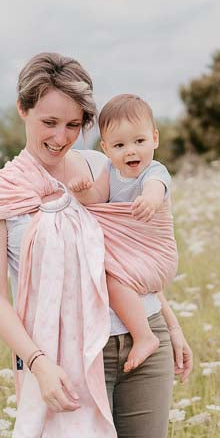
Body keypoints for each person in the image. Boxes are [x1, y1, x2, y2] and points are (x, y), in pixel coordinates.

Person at [0, 52, 193, 438]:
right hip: (67, 360)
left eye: (74, 125)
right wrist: (37, 363)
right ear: (22, 109)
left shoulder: (100, 166)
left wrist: (171, 323)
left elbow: (126, 250)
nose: (60, 137)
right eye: (50, 122)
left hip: (146, 344)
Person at [68, 93, 177, 373]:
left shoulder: (154, 171)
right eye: (119, 145)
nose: (130, 151)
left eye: (139, 141)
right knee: (104, 272)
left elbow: (156, 189)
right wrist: (82, 191)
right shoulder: (109, 170)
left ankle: (144, 336)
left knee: (113, 281)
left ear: (154, 138)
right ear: (106, 148)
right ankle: (143, 334)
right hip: (129, 255)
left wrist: (150, 201)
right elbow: (96, 199)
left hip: (153, 255)